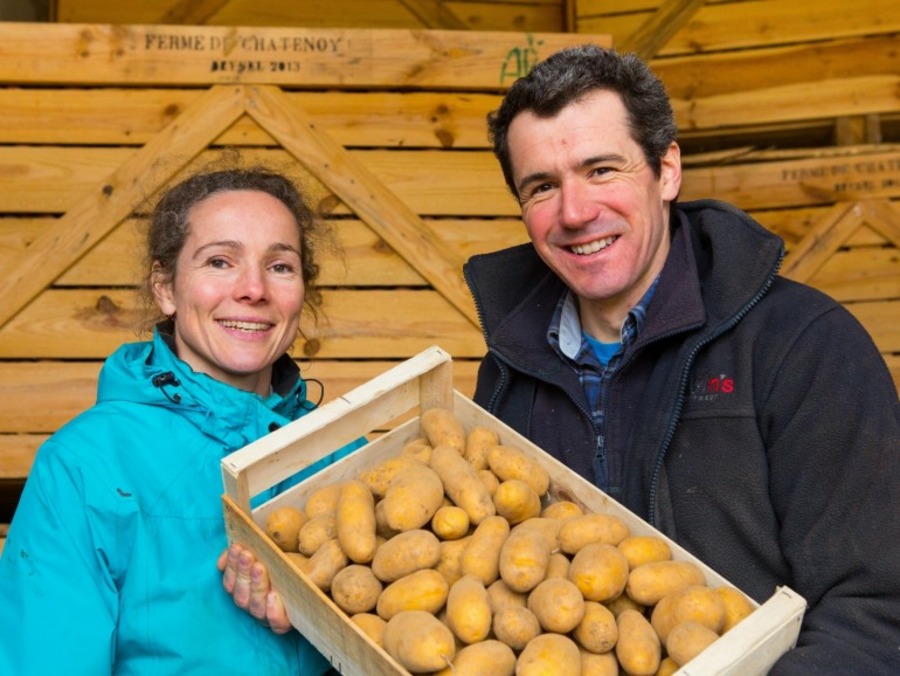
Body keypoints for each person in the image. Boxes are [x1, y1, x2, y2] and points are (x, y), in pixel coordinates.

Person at [462, 45, 900, 673]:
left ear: (666, 170)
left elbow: (877, 611)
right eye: (541, 187)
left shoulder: (805, 347)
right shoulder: (508, 370)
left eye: (602, 170)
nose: (575, 212)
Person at [0, 166, 365, 674]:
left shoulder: (347, 454)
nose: (254, 289)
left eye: (280, 266)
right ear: (165, 289)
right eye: (220, 261)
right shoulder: (85, 464)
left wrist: (320, 624)